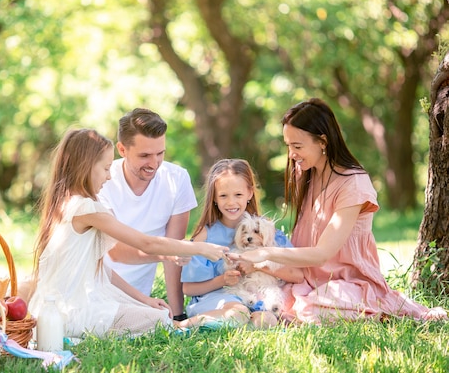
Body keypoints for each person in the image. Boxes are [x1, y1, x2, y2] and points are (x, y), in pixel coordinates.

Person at [236, 98, 448, 323]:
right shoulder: (306, 175)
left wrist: (267, 254)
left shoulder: (353, 184)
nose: (291, 154)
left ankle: (377, 313)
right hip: (307, 280)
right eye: (288, 146)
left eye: (297, 146)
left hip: (348, 283)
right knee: (266, 303)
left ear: (323, 142)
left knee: (311, 309)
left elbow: (322, 254)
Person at [28, 128, 229, 338]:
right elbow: (146, 243)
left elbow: (101, 269)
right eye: (106, 168)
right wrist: (200, 248)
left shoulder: (68, 203)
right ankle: (210, 322)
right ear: (86, 167)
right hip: (70, 315)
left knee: (153, 311)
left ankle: (190, 320)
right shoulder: (86, 209)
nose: (108, 177)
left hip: (60, 310)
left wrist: (144, 299)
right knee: (160, 321)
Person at [98, 108, 197, 321]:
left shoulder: (177, 179)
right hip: (99, 289)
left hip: (140, 298)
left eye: (160, 153)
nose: (154, 164)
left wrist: (178, 314)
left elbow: (174, 251)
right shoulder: (103, 181)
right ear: (122, 150)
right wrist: (167, 251)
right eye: (144, 155)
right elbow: (115, 251)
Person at [181, 159, 304, 328]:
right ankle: (181, 326)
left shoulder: (267, 231)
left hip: (258, 296)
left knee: (266, 321)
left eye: (238, 195)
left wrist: (257, 265)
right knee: (238, 313)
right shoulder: (206, 235)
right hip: (218, 298)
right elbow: (188, 289)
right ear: (214, 198)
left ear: (250, 193)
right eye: (223, 195)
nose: (231, 202)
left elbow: (297, 275)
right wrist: (223, 280)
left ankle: (237, 324)